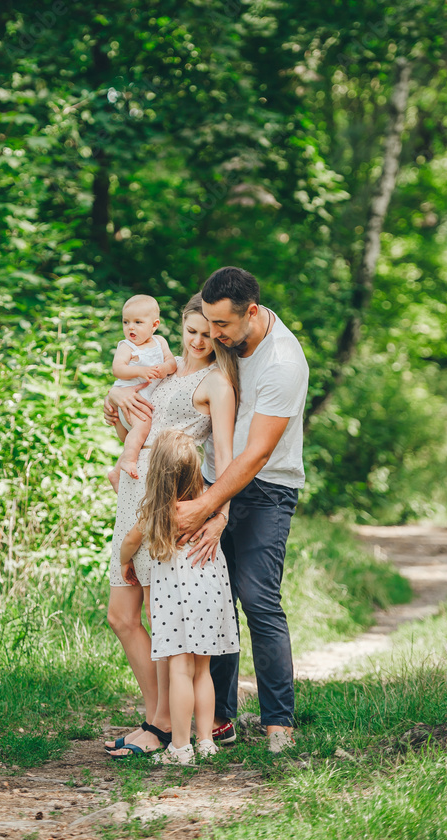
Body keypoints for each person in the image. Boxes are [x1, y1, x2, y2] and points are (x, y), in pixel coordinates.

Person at [174, 267, 309, 754]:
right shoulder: (220, 331)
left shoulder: (283, 363)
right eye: (208, 323)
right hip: (211, 478)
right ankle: (221, 719)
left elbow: (255, 455)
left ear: (251, 312)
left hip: (267, 489)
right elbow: (181, 373)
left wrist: (208, 507)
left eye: (222, 327)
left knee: (257, 600)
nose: (213, 335)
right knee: (213, 600)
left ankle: (279, 724)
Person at [103, 293, 239, 758]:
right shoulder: (162, 366)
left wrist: (219, 513)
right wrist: (115, 408)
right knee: (122, 616)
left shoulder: (216, 382)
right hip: (131, 491)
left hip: (166, 504)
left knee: (159, 618)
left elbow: (224, 456)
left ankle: (160, 724)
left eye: (208, 333)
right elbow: (137, 434)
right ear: (178, 327)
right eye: (192, 331)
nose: (199, 341)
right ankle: (157, 714)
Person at [119, 430, 239, 765]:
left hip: (176, 599)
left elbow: (129, 542)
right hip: (211, 592)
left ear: (157, 473)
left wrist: (126, 560)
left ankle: (180, 748)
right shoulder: (207, 509)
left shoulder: (158, 511)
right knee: (203, 671)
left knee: (181, 670)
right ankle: (205, 742)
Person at [108, 295, 177, 492]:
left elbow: (172, 362)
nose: (131, 327)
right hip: (130, 400)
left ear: (154, 325)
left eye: (138, 322)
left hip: (142, 401)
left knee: (138, 434)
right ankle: (128, 461)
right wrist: (139, 371)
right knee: (143, 425)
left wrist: (165, 368)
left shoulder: (159, 342)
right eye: (126, 322)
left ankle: (115, 473)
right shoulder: (126, 346)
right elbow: (117, 369)